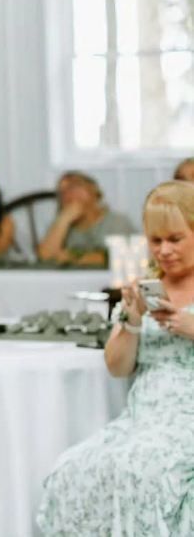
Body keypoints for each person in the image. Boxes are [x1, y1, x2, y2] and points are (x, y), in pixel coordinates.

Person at [36, 180, 194, 534]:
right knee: (72, 468)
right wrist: (133, 320)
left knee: (149, 471)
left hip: (187, 420)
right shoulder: (144, 287)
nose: (164, 250)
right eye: (156, 241)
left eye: (175, 238)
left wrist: (188, 325)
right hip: (145, 416)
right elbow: (117, 367)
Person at [37, 171, 134, 266]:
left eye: (74, 186)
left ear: (94, 190)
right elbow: (45, 257)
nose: (67, 193)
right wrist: (63, 220)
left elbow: (124, 256)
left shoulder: (116, 221)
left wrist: (75, 258)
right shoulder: (59, 226)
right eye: (61, 192)